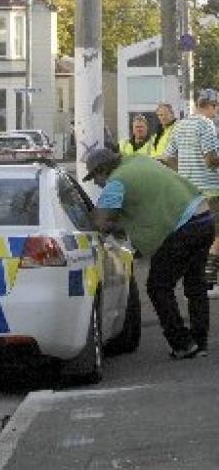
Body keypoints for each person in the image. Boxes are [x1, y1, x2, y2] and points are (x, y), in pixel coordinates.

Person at [84, 148, 214, 358]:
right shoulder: (138, 160)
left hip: (183, 228)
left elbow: (100, 221)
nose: (96, 182)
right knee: (195, 284)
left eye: (94, 176)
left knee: (158, 286)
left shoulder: (117, 181)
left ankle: (182, 343)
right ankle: (200, 342)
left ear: (103, 169)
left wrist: (100, 220)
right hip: (204, 218)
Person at [161, 89, 219, 291]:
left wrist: (186, 172)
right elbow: (211, 160)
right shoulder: (207, 124)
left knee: (195, 237)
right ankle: (209, 282)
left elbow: (168, 158)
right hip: (210, 191)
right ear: (211, 105)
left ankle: (195, 284)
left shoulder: (180, 125)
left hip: (188, 193)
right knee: (215, 236)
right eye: (216, 107)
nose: (216, 112)